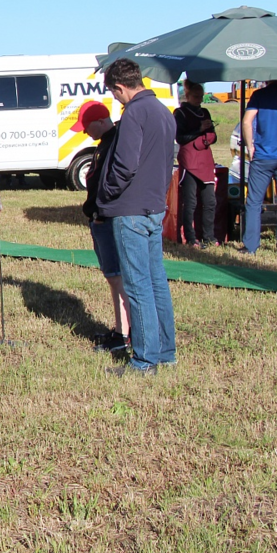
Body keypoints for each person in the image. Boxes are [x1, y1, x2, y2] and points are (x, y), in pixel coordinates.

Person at [96, 59, 177, 375]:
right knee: (157, 281)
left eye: (114, 94)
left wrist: (105, 196)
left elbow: (125, 166)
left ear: (119, 87)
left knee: (138, 284)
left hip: (130, 210)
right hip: (154, 208)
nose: (115, 99)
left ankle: (144, 361)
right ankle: (165, 352)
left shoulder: (133, 114)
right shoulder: (163, 111)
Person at [76, 100, 131, 353]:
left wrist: (100, 212)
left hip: (107, 219)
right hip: (100, 218)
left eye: (87, 126)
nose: (85, 132)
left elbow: (110, 183)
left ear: (101, 121)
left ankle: (126, 334)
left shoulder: (114, 144)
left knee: (118, 278)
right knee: (113, 278)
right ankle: (121, 331)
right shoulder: (104, 144)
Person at [241, 80, 277, 255]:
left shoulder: (259, 95)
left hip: (263, 156)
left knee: (253, 202)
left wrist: (250, 146)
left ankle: (251, 246)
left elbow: (247, 122)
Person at [173, 81, 218, 247]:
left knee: (210, 201)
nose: (199, 100)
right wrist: (199, 130)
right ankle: (191, 238)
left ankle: (209, 236)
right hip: (190, 161)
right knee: (191, 202)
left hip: (205, 160)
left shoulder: (204, 112)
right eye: (196, 96)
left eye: (201, 96)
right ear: (188, 95)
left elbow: (213, 135)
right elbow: (180, 138)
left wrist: (207, 134)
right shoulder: (180, 113)